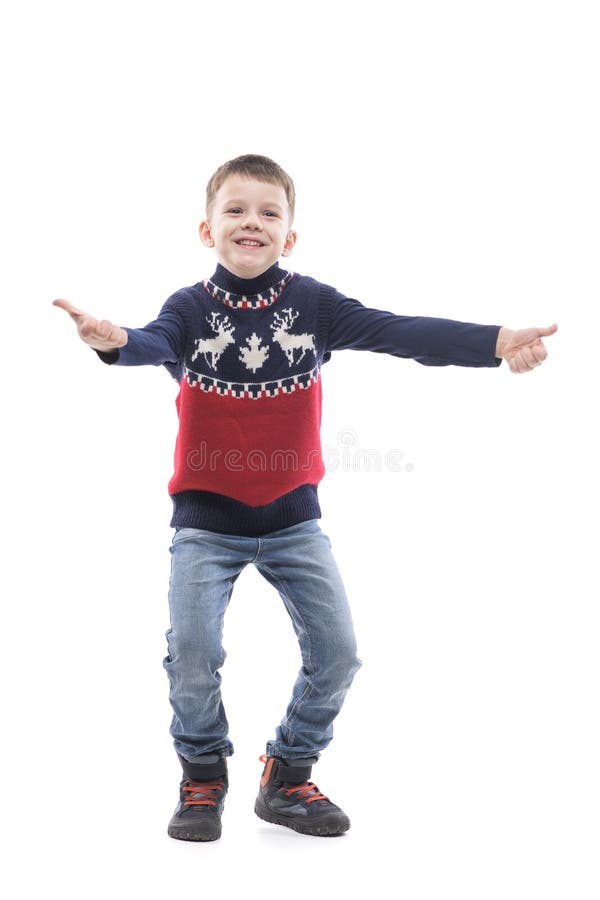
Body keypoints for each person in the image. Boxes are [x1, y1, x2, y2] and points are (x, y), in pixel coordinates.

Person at [54, 154, 557, 842]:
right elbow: (152, 342)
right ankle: (202, 773)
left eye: (269, 212)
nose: (251, 222)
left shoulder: (312, 305)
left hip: (295, 523)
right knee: (194, 650)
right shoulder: (191, 309)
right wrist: (114, 343)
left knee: (340, 651)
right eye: (235, 210)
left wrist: (497, 343)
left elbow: (395, 330)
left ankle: (287, 776)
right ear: (207, 230)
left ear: (289, 236)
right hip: (206, 524)